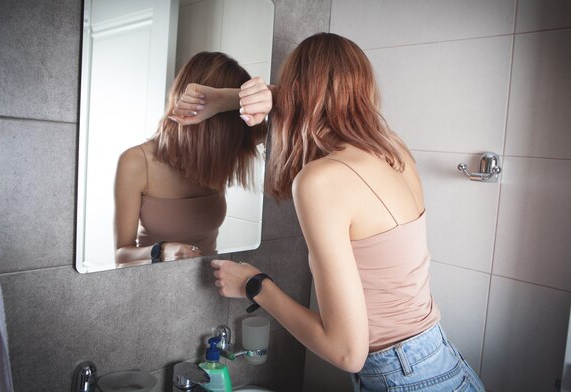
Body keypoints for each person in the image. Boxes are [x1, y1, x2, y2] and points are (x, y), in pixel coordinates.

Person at [174, 33, 485, 391]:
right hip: (443, 363)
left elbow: (347, 352)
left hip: (404, 378)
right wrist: (222, 99)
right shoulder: (393, 151)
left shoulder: (321, 180)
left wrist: (253, 285)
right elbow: (320, 102)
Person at [114, 52, 264, 268]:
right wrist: (162, 251)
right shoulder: (137, 162)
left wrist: (223, 99)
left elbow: (295, 111)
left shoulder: (225, 151)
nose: (236, 131)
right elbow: (121, 255)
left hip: (210, 284)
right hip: (149, 285)